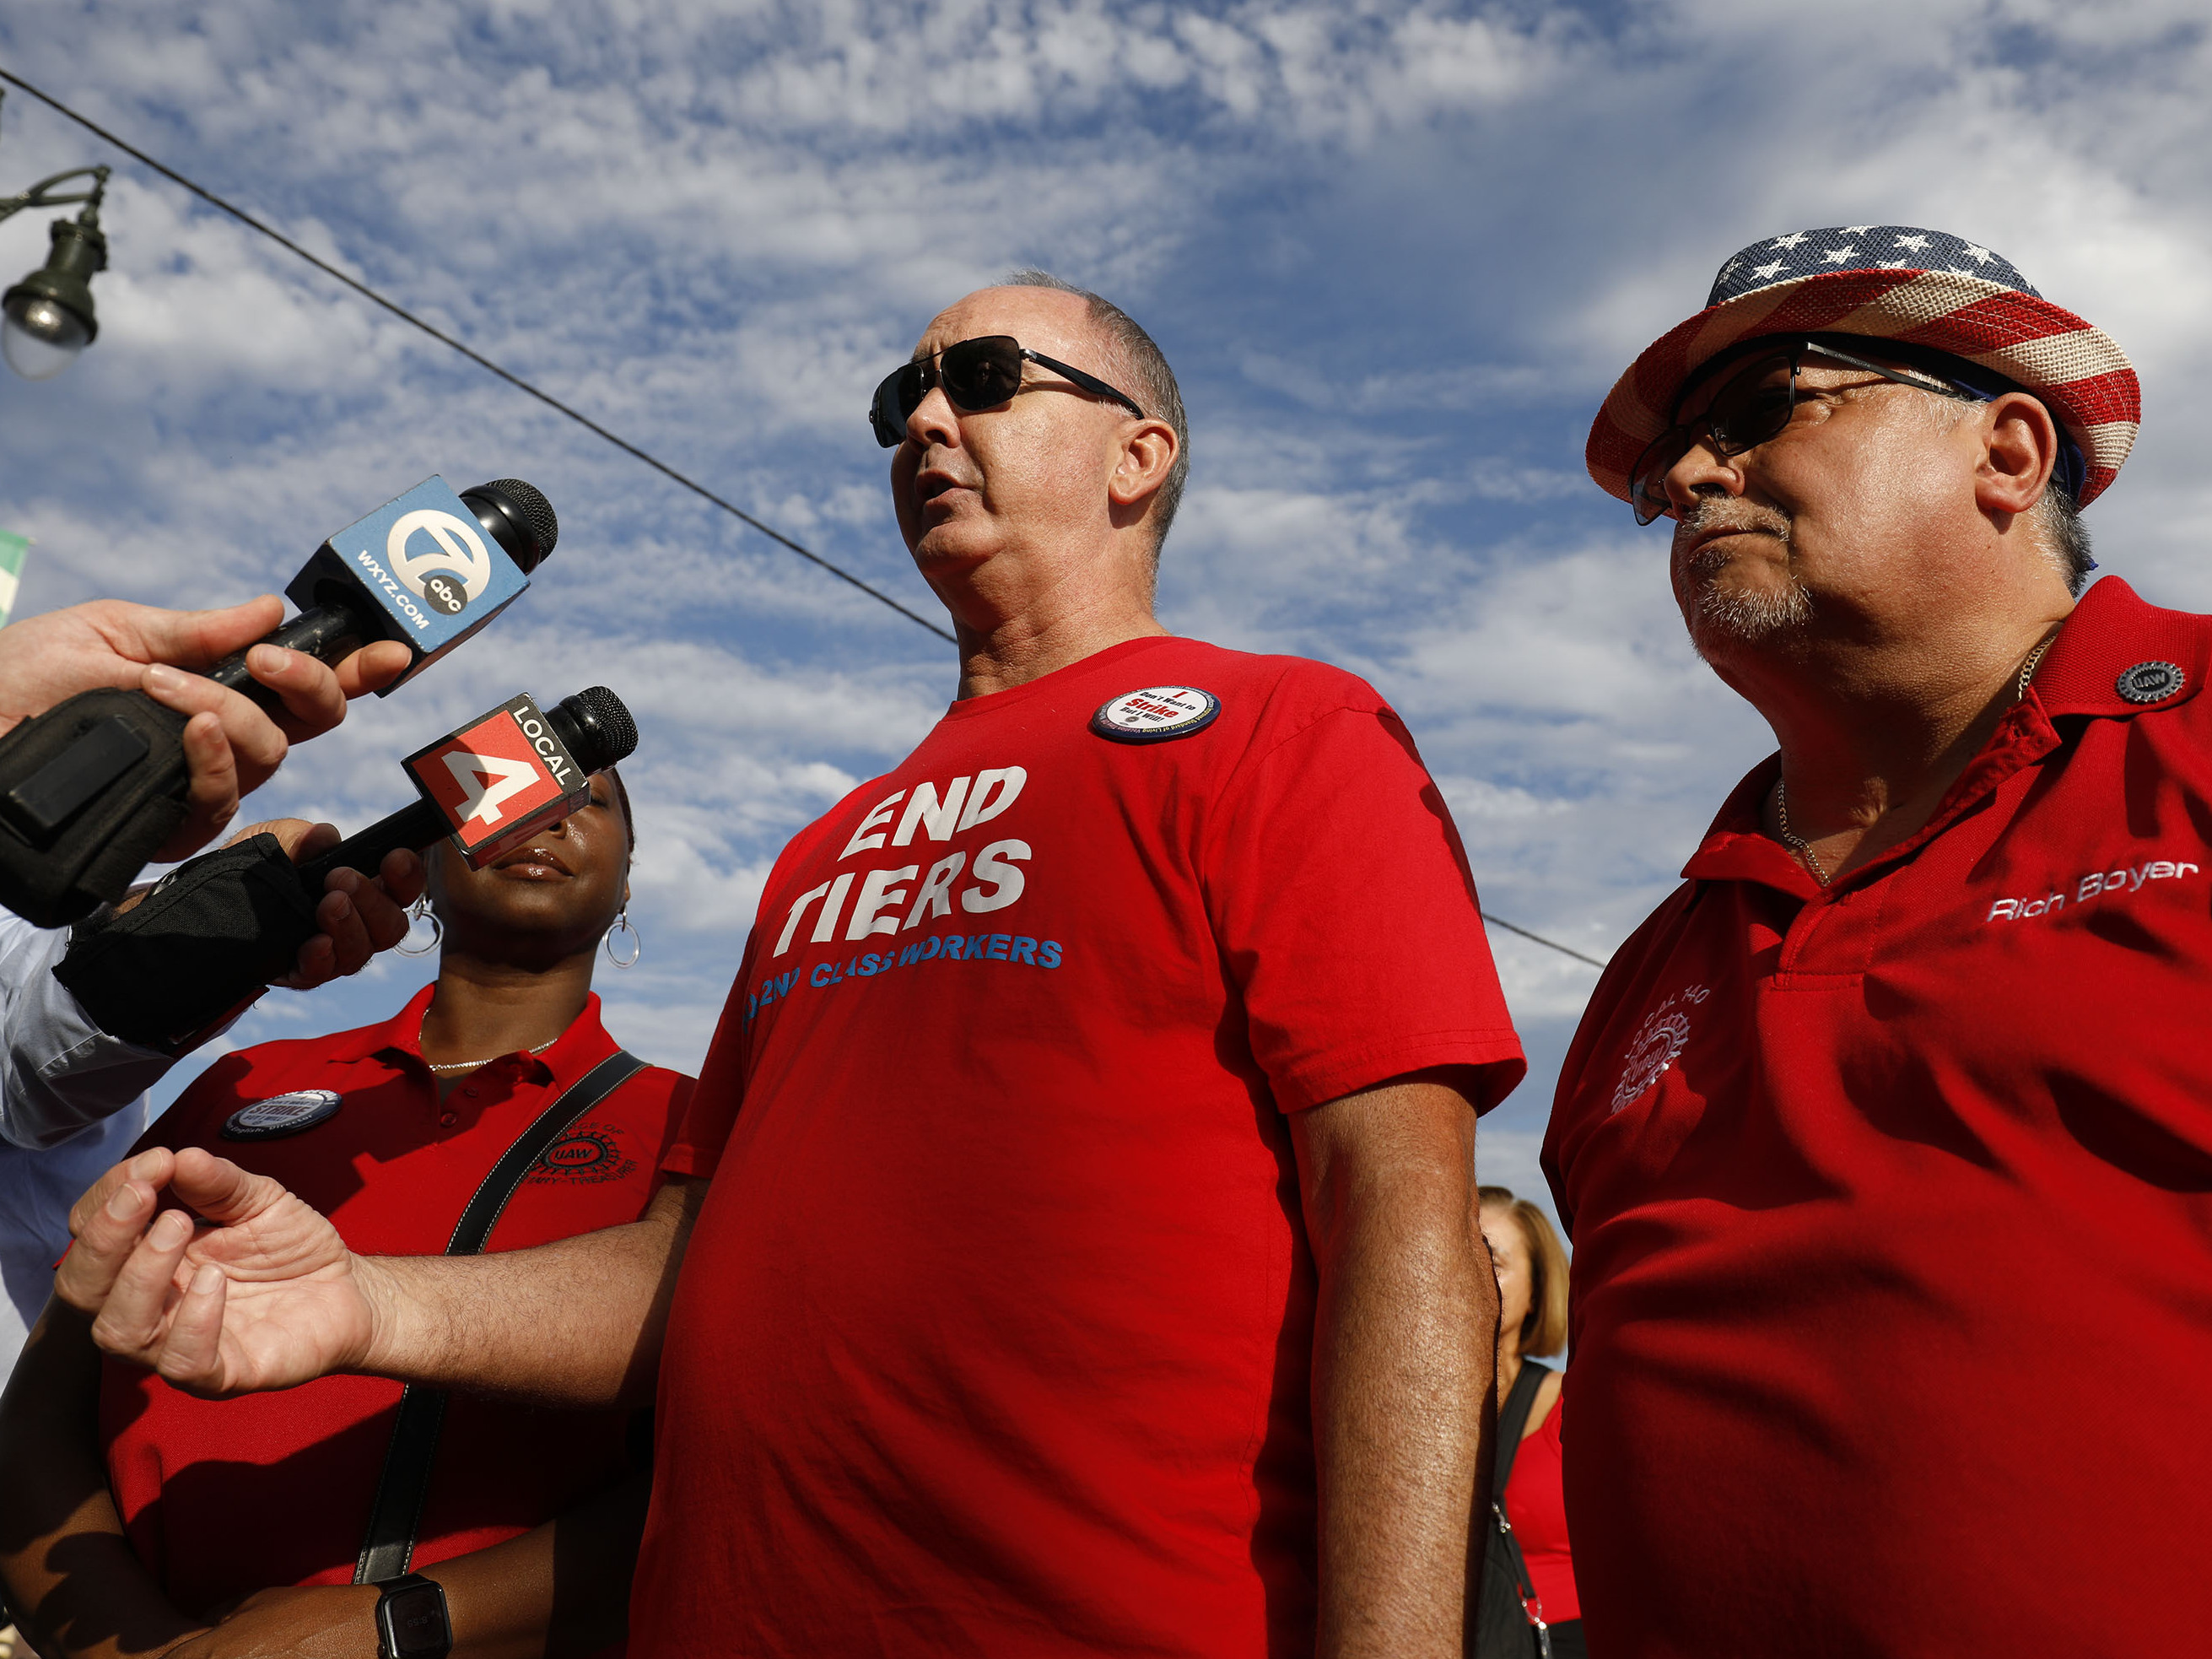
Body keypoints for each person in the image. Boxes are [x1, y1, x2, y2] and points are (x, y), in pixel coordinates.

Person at [62, 273, 1529, 1656]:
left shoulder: (1284, 729)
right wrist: (369, 1308)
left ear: (1135, 457)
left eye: (982, 379)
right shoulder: (828, 846)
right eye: (905, 398)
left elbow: (1401, 1227)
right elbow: (698, 1269)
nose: (926, 421)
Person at [1550, 224, 2202, 1653]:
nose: (1690, 476)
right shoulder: (1661, 958)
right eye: (1675, 463)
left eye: (1759, 408)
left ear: (2009, 454)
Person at [0, 767, 686, 1659]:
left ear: (628, 878)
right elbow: (41, 1414)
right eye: (503, 792)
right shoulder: (245, 1082)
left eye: (587, 801)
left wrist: (397, 1629)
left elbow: (715, 1469)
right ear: (426, 860)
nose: (546, 813)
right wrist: (144, 1649)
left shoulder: (694, 1128)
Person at [0, 594, 424, 1383]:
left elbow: (29, 1037)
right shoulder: (256, 1085)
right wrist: (224, 919)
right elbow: (27, 1063)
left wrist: (219, 926)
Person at [1474, 1186, 1578, 1659]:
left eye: (1490, 1258)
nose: (1468, 1270)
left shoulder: (1574, 1402)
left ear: (1536, 1291)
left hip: (1560, 1642)